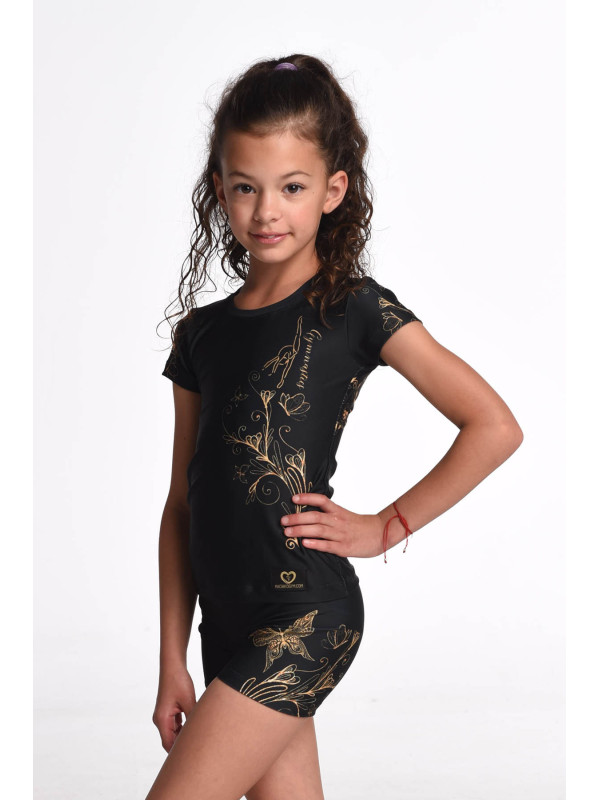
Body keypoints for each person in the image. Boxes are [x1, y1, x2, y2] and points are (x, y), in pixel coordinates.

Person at [146, 54, 523, 800]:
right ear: (219, 188)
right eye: (246, 187)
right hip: (224, 622)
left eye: (292, 187)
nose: (267, 211)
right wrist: (170, 658)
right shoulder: (201, 336)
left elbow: (493, 426)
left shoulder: (353, 308)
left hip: (307, 612)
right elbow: (183, 505)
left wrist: (386, 526)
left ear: (333, 190)